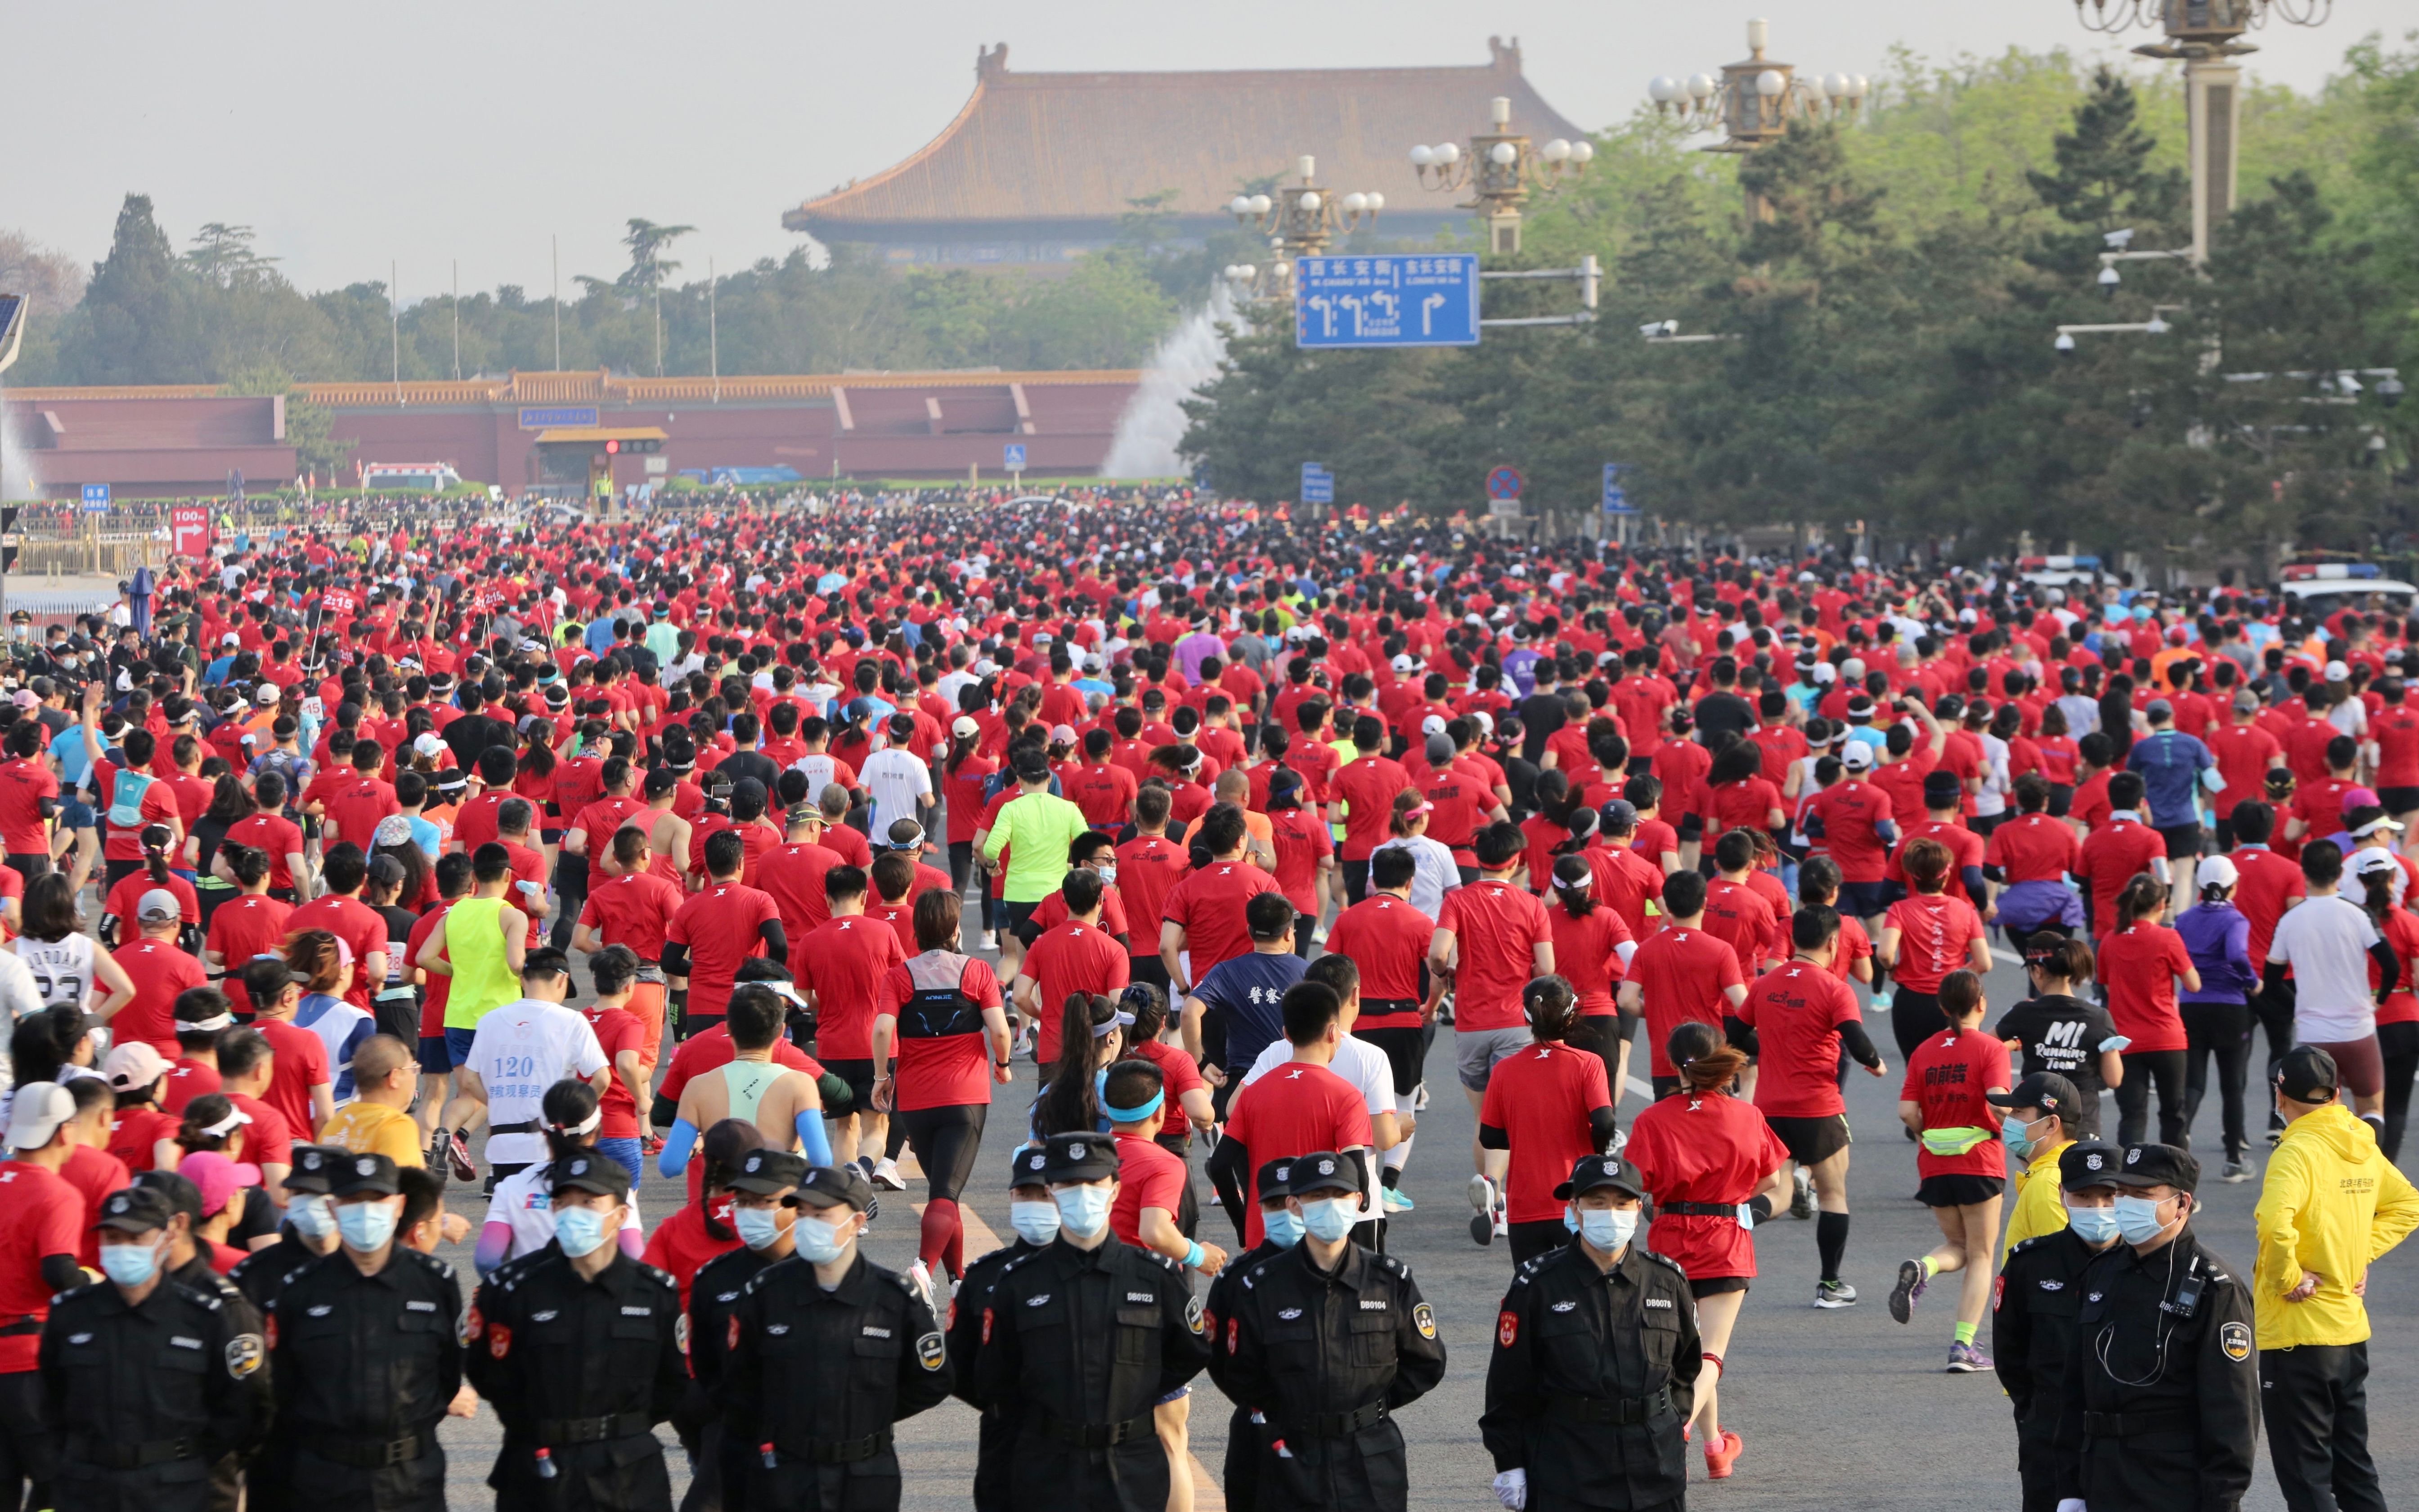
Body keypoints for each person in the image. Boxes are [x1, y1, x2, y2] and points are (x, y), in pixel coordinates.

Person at [966, 1131, 1213, 1512]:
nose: (1081, 1194)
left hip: (1131, 1463)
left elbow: (1189, 1352)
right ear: (1051, 1190)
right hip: (1046, 1465)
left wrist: (1131, 1390)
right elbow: (994, 1375)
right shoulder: (1017, 1283)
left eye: (1093, 1182)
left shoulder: (1154, 1276)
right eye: (1068, 1183)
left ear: (1114, 1189)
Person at [1215, 1148, 1445, 1512]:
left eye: (1340, 1195)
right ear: (1295, 1205)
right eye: (1317, 1196)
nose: (1330, 1205)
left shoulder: (1388, 1281)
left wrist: (1367, 1407)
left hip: (1370, 1454)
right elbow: (1239, 1371)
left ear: (1358, 1201)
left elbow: (1425, 1362)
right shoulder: (1262, 1286)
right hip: (1291, 1450)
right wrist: (1293, 1409)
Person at [466, 1151, 687, 1512]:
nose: (573, 1212)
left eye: (588, 1202)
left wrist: (620, 1428)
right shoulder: (513, 1289)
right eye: (563, 1202)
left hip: (628, 1472)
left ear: (620, 1215)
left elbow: (672, 1380)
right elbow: (489, 1373)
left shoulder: (654, 1292)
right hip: (539, 1465)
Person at [1478, 1153, 1699, 1512]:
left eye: (1621, 1203)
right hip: (1568, 1467)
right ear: (1575, 1208)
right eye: (1597, 1202)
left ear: (1638, 1208)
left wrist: (1668, 1426)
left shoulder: (1666, 1281)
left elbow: (1686, 1367)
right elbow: (1508, 1382)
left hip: (1655, 1468)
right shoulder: (1538, 1285)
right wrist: (1509, 1462)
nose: (1610, 1212)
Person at [1617, 1022, 1789, 1480]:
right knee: (1710, 1354)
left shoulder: (1653, 1118)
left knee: (1686, 1354)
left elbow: (1636, 1184)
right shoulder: (1745, 1115)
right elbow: (1771, 1179)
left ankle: (1716, 1449)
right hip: (1725, 1238)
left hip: (1670, 1237)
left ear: (1672, 1064)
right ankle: (1682, 1424)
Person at [2253, 1045, 2419, 1512]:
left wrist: (2287, 1277)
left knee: (2306, 1479)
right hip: (2347, 1331)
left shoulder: (2297, 1150)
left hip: (2297, 1332)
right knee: (2354, 1470)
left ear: (2279, 1094)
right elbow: (2407, 1205)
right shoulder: (2359, 1141)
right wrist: (2353, 1254)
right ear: (2336, 1092)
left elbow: (2273, 1221)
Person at [38, 1183, 274, 1512]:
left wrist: (189, 1460)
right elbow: (49, 1400)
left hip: (174, 1488)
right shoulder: (71, 1314)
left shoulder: (203, 1316)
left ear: (167, 1238)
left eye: (136, 1239)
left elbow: (241, 1406)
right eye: (113, 1238)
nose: (123, 1249)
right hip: (88, 1486)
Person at [258, 1151, 470, 1512]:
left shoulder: (435, 1284)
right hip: (326, 1480)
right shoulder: (300, 1291)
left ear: (400, 1205)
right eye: (354, 1200)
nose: (366, 1210)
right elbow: (284, 1387)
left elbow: (447, 1376)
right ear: (334, 1208)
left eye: (378, 1199)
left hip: (412, 1478)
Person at [2052, 1143, 2258, 1512]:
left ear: (2182, 1203)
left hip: (2172, 1480)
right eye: (2123, 1192)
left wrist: (2223, 1500)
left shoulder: (2213, 1287)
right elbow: (2075, 1387)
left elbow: (2231, 1406)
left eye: (2143, 1194)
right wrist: (2070, 1487)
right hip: (2101, 1472)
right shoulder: (2103, 1271)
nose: (2127, 1203)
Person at [1731, 904, 1888, 1306]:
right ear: (1834, 942)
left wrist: (1768, 1048)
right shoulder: (1834, 988)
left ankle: (1733, 1225)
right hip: (1818, 1107)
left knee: (1779, 1195)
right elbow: (1858, 1042)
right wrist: (1877, 1065)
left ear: (1793, 938)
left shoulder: (1766, 984)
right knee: (1833, 1195)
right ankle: (1830, 1285)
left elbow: (1734, 1034)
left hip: (1770, 1108)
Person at [874, 886, 1013, 1293]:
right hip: (964, 1097)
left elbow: (883, 1027)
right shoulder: (977, 971)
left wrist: (883, 1076)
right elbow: (1000, 1029)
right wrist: (1002, 1065)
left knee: (943, 1189)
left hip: (915, 1099)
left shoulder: (899, 975)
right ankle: (922, 1267)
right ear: (955, 928)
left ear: (917, 929)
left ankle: (957, 1280)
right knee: (946, 1190)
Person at [1991, 1139, 2127, 1512]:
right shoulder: (2029, 1264)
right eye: (2083, 1196)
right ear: (2061, 1194)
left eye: (2108, 1197)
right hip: (2048, 1434)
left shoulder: (2149, 1266)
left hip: (2127, 1439)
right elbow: (2009, 1353)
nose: (2097, 1208)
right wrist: (2035, 1411)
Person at [1431, 823, 1556, 1227]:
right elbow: (1547, 968)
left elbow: (1437, 952)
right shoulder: (1532, 904)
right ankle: (1498, 1196)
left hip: (1470, 1023)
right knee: (1511, 1119)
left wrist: (1447, 970)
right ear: (1516, 860)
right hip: (1515, 1023)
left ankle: (1489, 1198)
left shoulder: (1458, 901)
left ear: (1478, 858)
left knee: (1485, 1118)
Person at [1890, 968, 2013, 1371]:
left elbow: (1907, 1111)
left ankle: (1923, 1266)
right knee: (1981, 1254)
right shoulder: (1990, 1048)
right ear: (1981, 1003)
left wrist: (1932, 1129)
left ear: (1942, 1007)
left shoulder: (1924, 1050)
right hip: (1979, 1160)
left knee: (1958, 1246)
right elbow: (2000, 1103)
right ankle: (1963, 1347)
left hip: (1934, 1160)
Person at [1204, 982, 1377, 1251]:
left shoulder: (1252, 1093)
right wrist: (1359, 1202)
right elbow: (1358, 1172)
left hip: (1264, 1237)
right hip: (1319, 1241)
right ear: (1334, 1033)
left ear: (1286, 1034)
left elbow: (1219, 1165)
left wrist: (1243, 1224)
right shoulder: (1346, 1096)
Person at [672, 1140, 797, 1512]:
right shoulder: (714, 1280)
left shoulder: (827, 1275)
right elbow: (707, 1374)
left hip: (816, 1449)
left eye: (764, 1201)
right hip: (736, 1440)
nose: (750, 1211)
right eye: (743, 1202)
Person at [950, 1150, 1069, 1512]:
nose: (1034, 1203)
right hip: (1008, 1436)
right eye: (1025, 1194)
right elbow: (958, 1364)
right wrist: (1003, 1403)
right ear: (1011, 1197)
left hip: (1077, 1440)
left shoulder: (1092, 1273)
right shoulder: (985, 1276)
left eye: (1045, 1194)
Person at [1320, 846, 1438, 1210]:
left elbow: (1326, 969)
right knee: (1403, 1105)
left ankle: (1345, 1179)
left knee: (1347, 1102)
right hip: (1403, 1021)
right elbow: (1437, 972)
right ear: (1410, 882)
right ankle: (1387, 1185)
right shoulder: (1420, 921)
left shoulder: (1348, 919)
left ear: (1372, 880)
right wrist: (1430, 1007)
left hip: (1356, 1023)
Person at [1475, 976, 1616, 1264]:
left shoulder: (1505, 1070)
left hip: (1524, 1203)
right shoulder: (1588, 1064)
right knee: (1583, 1291)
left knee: (1531, 1294)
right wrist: (1596, 1150)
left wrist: (1525, 1133)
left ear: (1527, 1016)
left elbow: (1489, 1137)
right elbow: (1604, 1121)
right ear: (1571, 1014)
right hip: (1575, 1200)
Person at [2264, 839, 2399, 1123]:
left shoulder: (2290, 919)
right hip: (2357, 1029)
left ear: (2305, 874)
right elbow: (2391, 966)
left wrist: (2298, 1009)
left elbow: (2272, 980)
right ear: (2341, 873)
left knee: (2317, 1119)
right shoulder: (2359, 914)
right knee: (2372, 1111)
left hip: (2314, 1035)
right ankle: (2371, 1167)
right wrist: (2379, 1000)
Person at [0, 1083, 88, 1512]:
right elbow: (58, 1270)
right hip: (28, 1362)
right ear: (65, 1132)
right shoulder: (57, 1194)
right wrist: (94, 1288)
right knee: (60, 1481)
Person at [457, 949, 610, 1184]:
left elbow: (469, 1080)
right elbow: (602, 1078)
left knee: (510, 1215)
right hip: (549, 1145)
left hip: (502, 1146)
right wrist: (573, 1117)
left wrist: (499, 1105)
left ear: (522, 980)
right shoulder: (571, 1021)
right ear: (562, 980)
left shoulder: (490, 1021)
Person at [479, 1079, 646, 1276]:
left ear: (543, 1131)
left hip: (530, 1299)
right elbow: (634, 1257)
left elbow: (486, 1259)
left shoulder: (512, 1187)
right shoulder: (614, 1189)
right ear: (596, 1131)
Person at [1615, 870, 1748, 1100]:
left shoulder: (1647, 950)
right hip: (1710, 1056)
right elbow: (1743, 1005)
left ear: (1666, 905)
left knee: (1670, 1129)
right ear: (1705, 904)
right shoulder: (1721, 951)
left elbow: (1626, 999)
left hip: (1667, 1058)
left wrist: (1655, 1011)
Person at [2097, 872, 2202, 1148]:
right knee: (2173, 1114)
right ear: (2161, 905)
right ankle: (2175, 1181)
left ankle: (2128, 1181)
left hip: (2126, 1041)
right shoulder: (2168, 938)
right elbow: (2194, 985)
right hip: (2166, 1038)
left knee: (2132, 1115)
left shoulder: (2111, 939)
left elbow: (2105, 986)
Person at [2175, 854, 2262, 1179]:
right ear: (2233, 887)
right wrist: (2252, 981)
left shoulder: (2184, 919)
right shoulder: (2235, 920)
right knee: (2231, 1086)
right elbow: (2237, 953)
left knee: (2193, 1082)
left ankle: (2179, 1141)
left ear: (2199, 886)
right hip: (2229, 1006)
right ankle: (2233, 1159)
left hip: (2192, 1004)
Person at [1876, 835, 1993, 1064]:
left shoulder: (1900, 910)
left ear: (1912, 876)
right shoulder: (1965, 910)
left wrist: (1892, 968)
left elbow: (1884, 953)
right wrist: (1956, 975)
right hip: (1955, 1000)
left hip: (1912, 1001)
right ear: (1947, 875)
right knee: (1955, 1070)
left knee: (1917, 1071)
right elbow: (1984, 963)